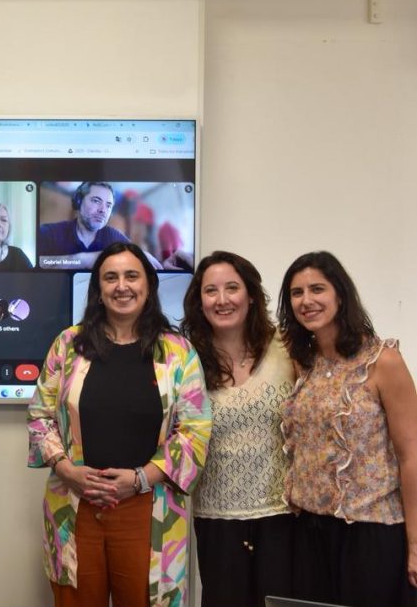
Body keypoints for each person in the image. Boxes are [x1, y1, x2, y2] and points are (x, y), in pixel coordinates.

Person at [27, 242, 211, 607]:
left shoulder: (177, 351)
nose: (121, 286)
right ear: (98, 289)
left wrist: (140, 478)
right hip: (75, 504)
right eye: (110, 277)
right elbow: (40, 415)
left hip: (149, 507)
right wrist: (68, 471)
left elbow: (195, 429)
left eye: (131, 276)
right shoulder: (68, 345)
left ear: (148, 285)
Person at [278, 251, 417, 607]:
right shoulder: (303, 363)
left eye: (317, 289)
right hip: (310, 532)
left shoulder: (383, 361)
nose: (306, 300)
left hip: (371, 531)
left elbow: (411, 456)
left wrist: (415, 542)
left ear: (340, 295)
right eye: (296, 293)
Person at [181, 251, 295, 607]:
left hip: (283, 515)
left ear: (251, 295)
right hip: (216, 518)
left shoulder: (287, 347)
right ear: (199, 301)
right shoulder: (186, 359)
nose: (222, 299)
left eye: (232, 287)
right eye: (210, 290)